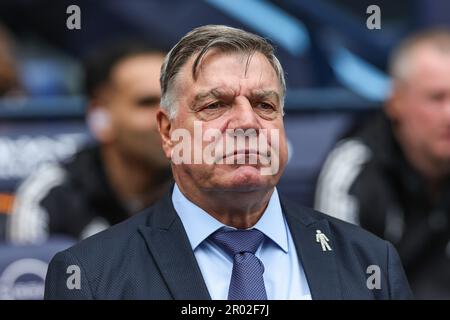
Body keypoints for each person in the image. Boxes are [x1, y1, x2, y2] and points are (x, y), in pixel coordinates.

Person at [44, 25, 412, 300]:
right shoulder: (91, 275)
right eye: (215, 105)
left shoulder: (369, 260)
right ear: (169, 132)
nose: (247, 123)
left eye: (264, 105)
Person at [315, 29, 450, 299]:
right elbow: (337, 284)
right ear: (396, 102)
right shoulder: (354, 167)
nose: (449, 114)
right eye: (436, 98)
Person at [7, 41, 172, 243]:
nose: (168, 117)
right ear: (101, 118)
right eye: (146, 103)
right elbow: (26, 270)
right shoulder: (51, 199)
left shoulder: (207, 189)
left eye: (173, 101)